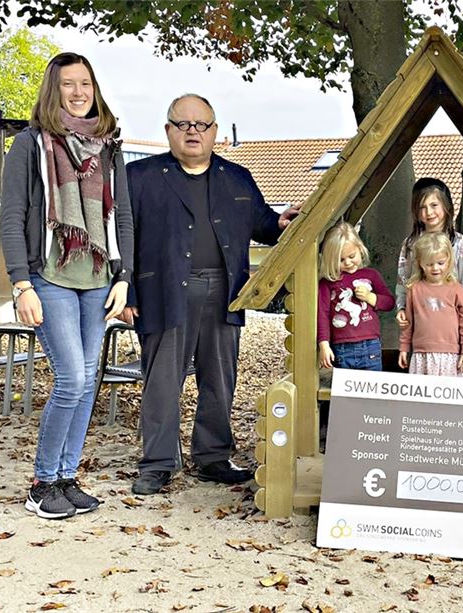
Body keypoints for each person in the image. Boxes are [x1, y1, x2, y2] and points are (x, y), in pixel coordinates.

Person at [123, 94, 297, 495]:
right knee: (162, 381)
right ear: (168, 130)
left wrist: (281, 222)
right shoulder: (139, 178)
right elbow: (123, 239)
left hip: (224, 291)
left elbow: (263, 224)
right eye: (183, 125)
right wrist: (127, 291)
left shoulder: (237, 177)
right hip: (163, 291)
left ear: (215, 131)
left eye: (201, 125)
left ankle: (213, 457)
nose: (192, 132)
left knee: (220, 378)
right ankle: (159, 462)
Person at [0, 52, 133, 519]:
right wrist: (21, 285)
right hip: (49, 277)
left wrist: (124, 278)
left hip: (98, 279)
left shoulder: (108, 147)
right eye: (67, 85)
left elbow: (124, 219)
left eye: (85, 84)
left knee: (86, 382)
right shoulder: (30, 145)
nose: (78, 93)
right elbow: (11, 218)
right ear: (52, 91)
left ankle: (66, 476)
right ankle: (42, 483)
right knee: (72, 378)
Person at [395, 178, 463, 330]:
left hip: (451, 324)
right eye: (422, 207)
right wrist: (401, 308)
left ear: (446, 205)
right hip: (419, 322)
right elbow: (403, 280)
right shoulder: (410, 244)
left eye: (434, 205)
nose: (428, 212)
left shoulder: (459, 243)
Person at [317, 222, 395, 371]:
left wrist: (370, 298)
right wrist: (324, 344)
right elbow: (322, 315)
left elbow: (389, 302)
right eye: (341, 260)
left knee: (372, 392)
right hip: (341, 348)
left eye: (352, 256)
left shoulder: (371, 275)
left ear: (360, 249)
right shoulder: (327, 283)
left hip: (371, 345)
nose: (348, 262)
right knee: (345, 394)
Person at [398, 233, 463, 376]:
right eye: (429, 264)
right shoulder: (414, 290)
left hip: (450, 356)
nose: (435, 268)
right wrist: (403, 348)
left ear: (449, 261)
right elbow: (408, 323)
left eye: (440, 263)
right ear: (420, 263)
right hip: (421, 355)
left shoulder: (457, 290)